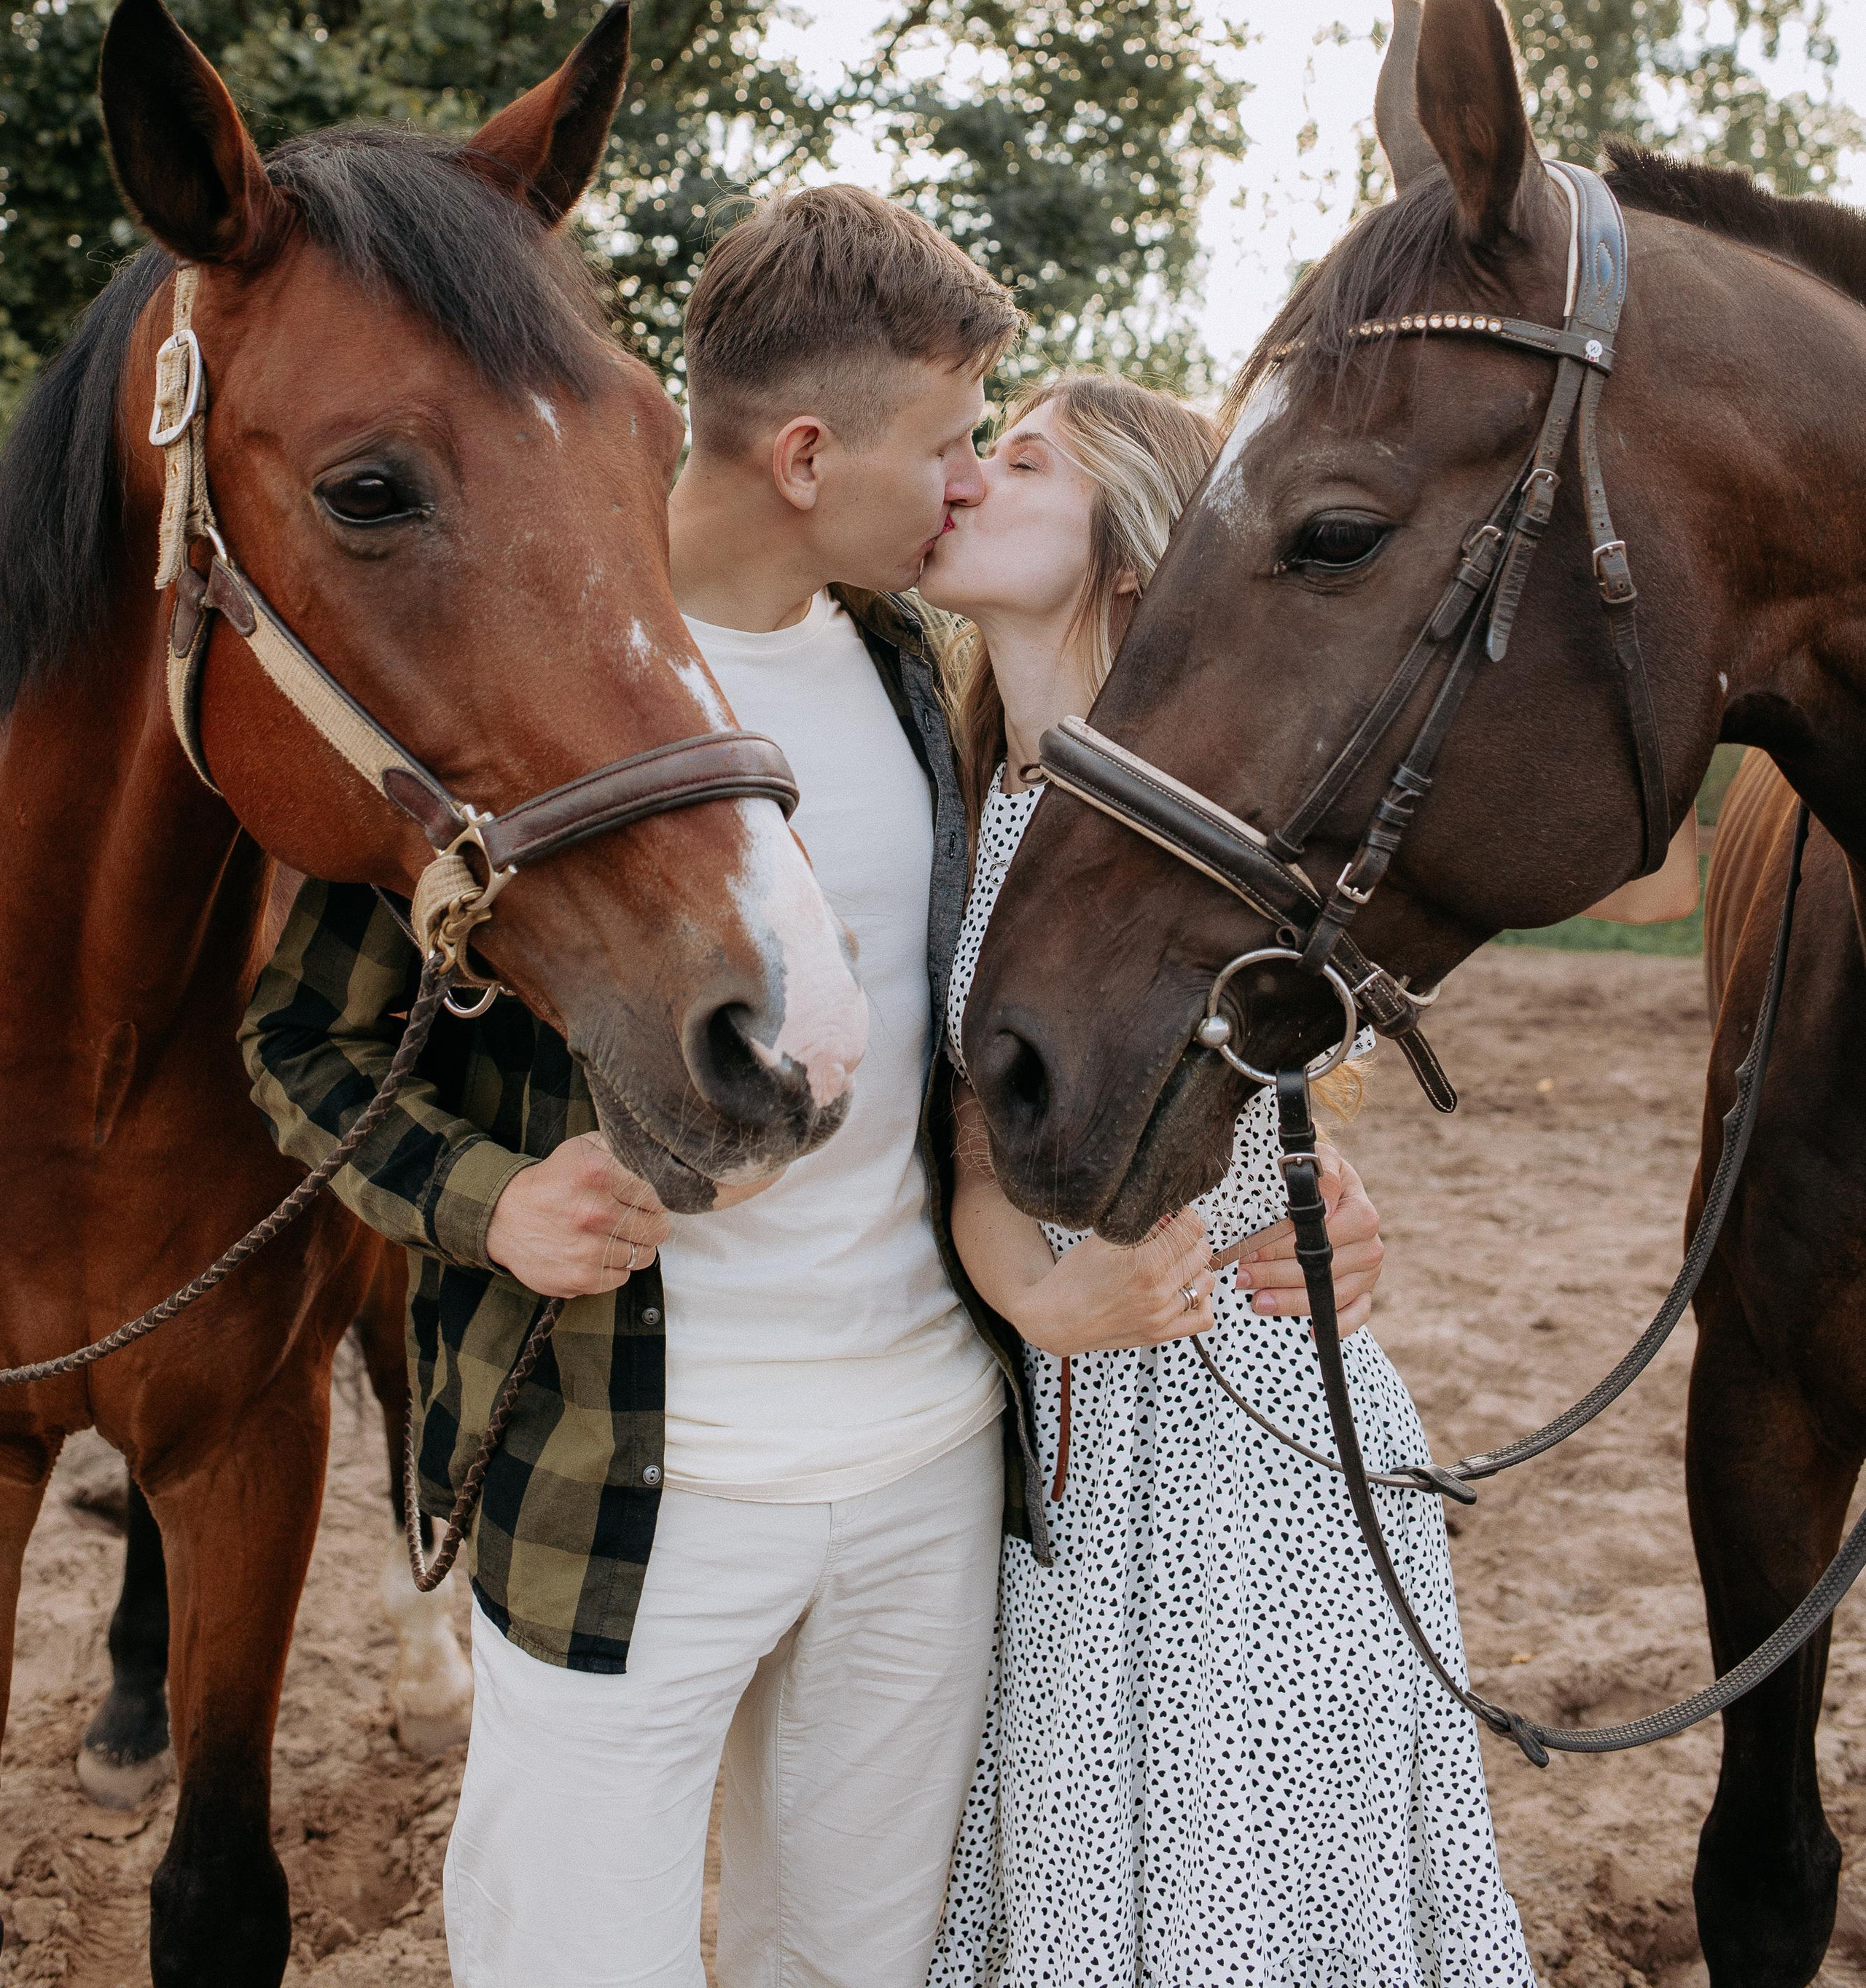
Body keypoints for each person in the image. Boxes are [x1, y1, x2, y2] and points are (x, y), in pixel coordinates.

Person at [240, 190, 1385, 1988]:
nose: (958, 486)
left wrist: (1260, 1175)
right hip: (625, 1486)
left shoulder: (907, 681)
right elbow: (293, 1048)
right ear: (802, 453)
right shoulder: (495, 669)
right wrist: (489, 1204)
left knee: (852, 1966)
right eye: (947, 443)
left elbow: (1006, 1040)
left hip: (927, 1467)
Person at [919, 373, 1536, 1988]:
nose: (968, 480)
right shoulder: (964, 808)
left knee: (1263, 1898)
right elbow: (969, 1154)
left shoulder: (1235, 824)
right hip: (1077, 1447)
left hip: (1258, 1423)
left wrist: (1330, 1194)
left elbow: (1289, 1099)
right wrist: (1043, 1301)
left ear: (1128, 547)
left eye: (1020, 458)